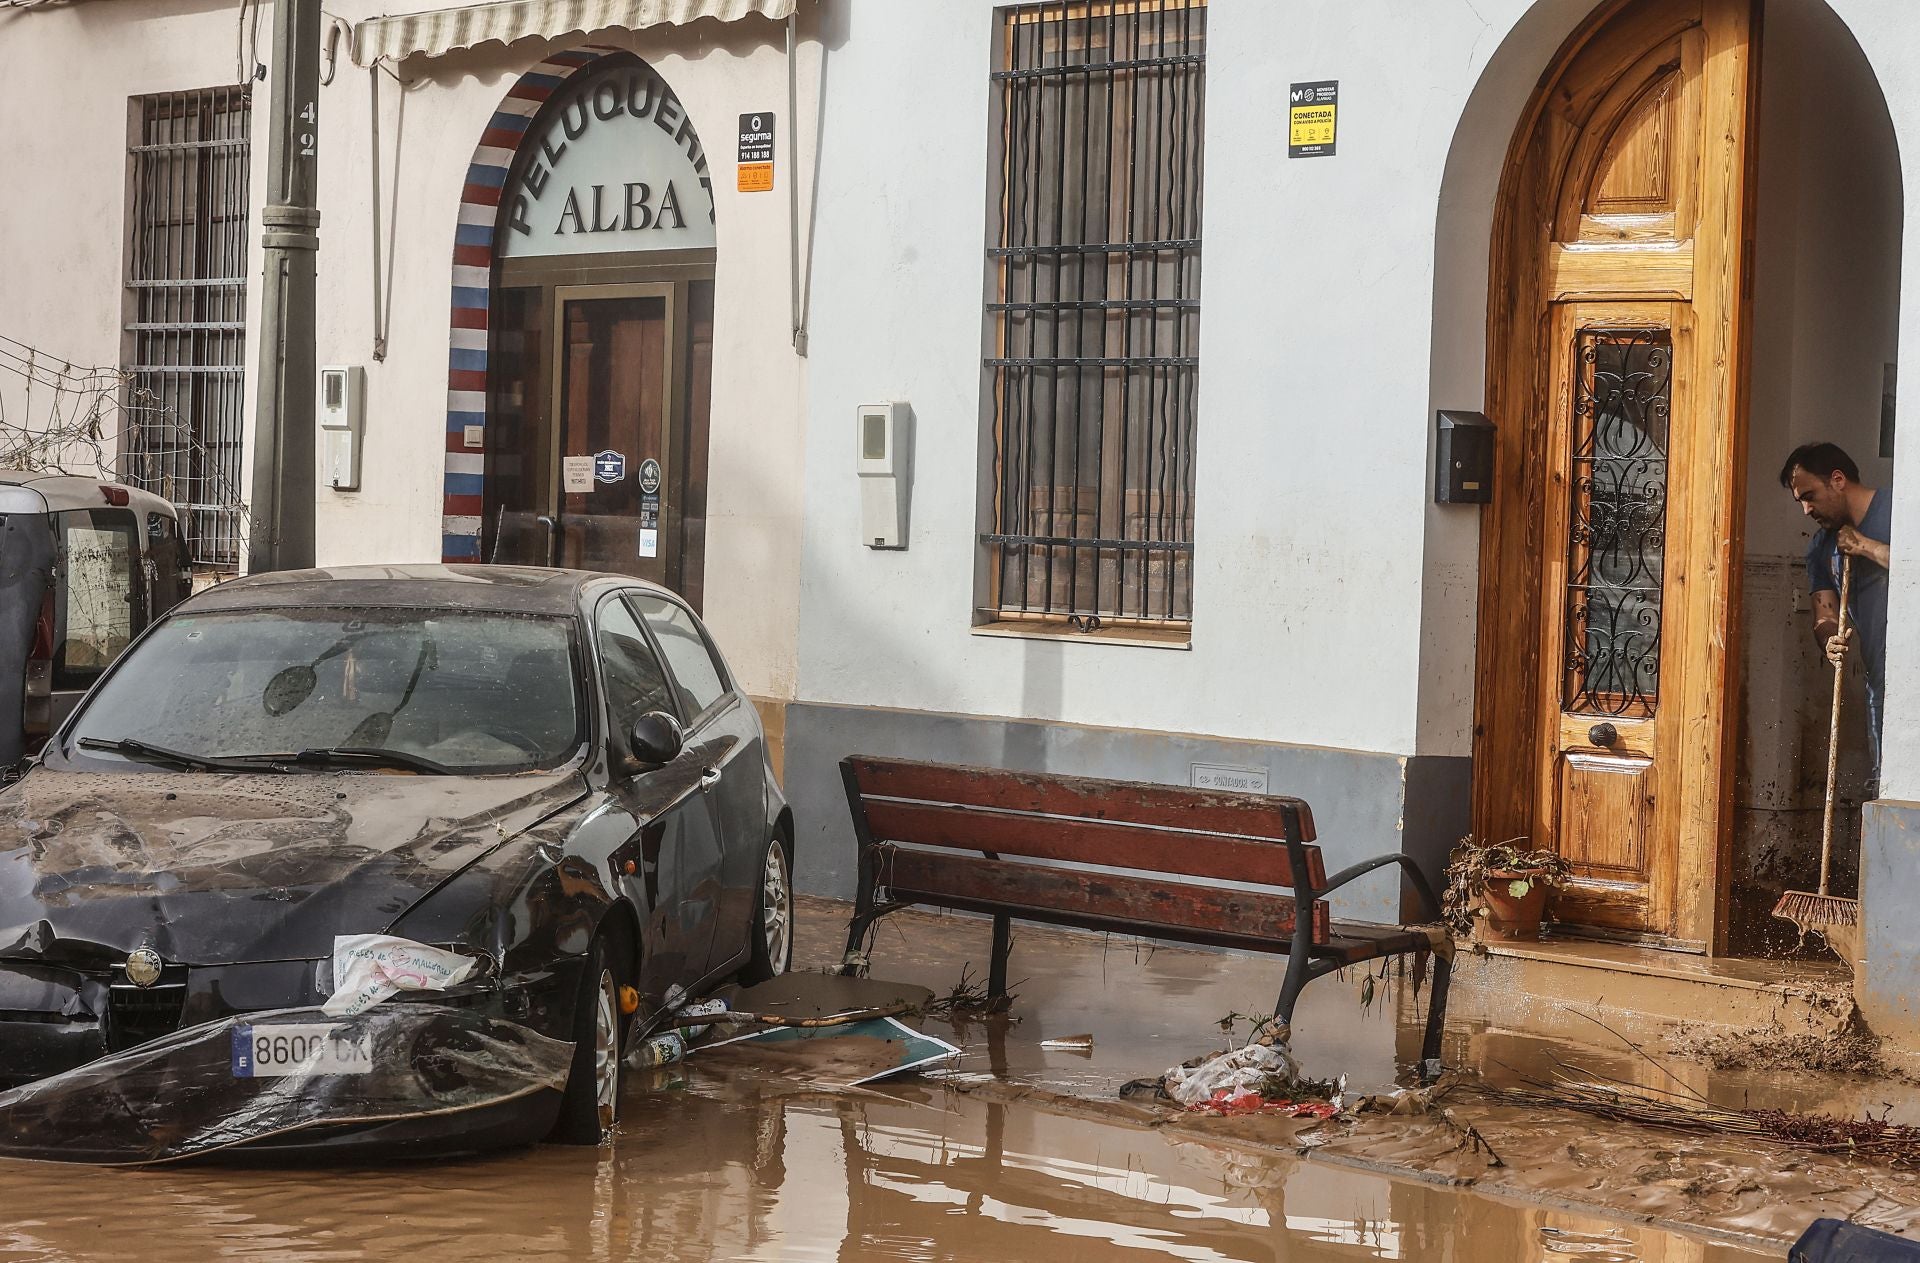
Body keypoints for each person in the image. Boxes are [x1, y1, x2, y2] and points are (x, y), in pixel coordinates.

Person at [1780, 442, 1892, 786]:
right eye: (1801, 501)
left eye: (1810, 496)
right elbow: (1825, 616)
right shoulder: (1820, 547)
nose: (1806, 509)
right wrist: (1829, 641)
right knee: (1885, 786)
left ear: (1838, 480)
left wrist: (1863, 546)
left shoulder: (1901, 508)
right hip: (1882, 689)